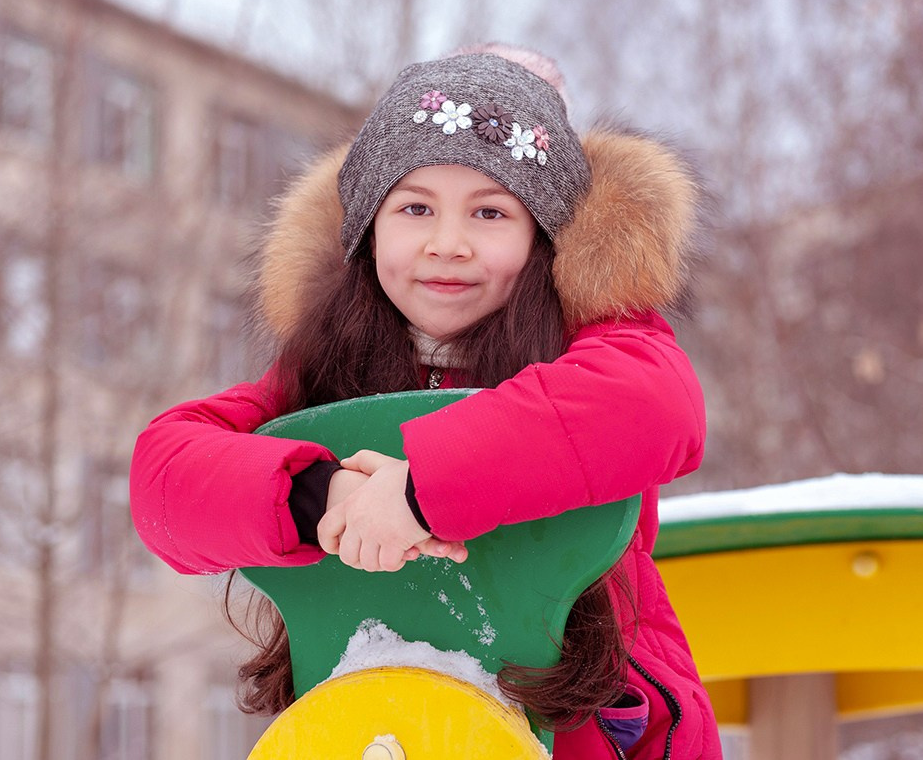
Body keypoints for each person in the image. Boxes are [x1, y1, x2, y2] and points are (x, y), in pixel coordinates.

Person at [130, 45, 722, 759]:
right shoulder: (325, 368)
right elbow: (165, 475)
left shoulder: (593, 345)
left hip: (582, 723)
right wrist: (324, 494)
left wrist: (419, 492)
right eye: (414, 207)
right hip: (379, 721)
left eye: (490, 212)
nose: (449, 244)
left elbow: (655, 406)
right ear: (366, 231)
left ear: (544, 239)